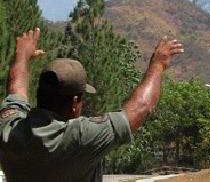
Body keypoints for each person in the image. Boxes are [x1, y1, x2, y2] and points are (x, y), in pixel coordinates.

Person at [0, 28, 183, 182]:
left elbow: (16, 89)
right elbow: (141, 108)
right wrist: (157, 66)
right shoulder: (77, 139)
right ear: (74, 103)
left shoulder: (9, 129)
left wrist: (21, 56)